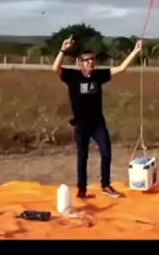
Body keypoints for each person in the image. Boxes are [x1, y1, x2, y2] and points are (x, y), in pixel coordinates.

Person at [53, 36, 142, 199]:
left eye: (92, 60)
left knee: (106, 153)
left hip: (97, 124)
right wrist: (63, 50)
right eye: (87, 60)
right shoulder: (72, 76)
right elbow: (55, 68)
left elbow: (121, 69)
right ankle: (82, 190)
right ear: (80, 63)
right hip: (80, 125)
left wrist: (135, 52)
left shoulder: (99, 75)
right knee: (82, 157)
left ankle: (106, 185)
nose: (91, 62)